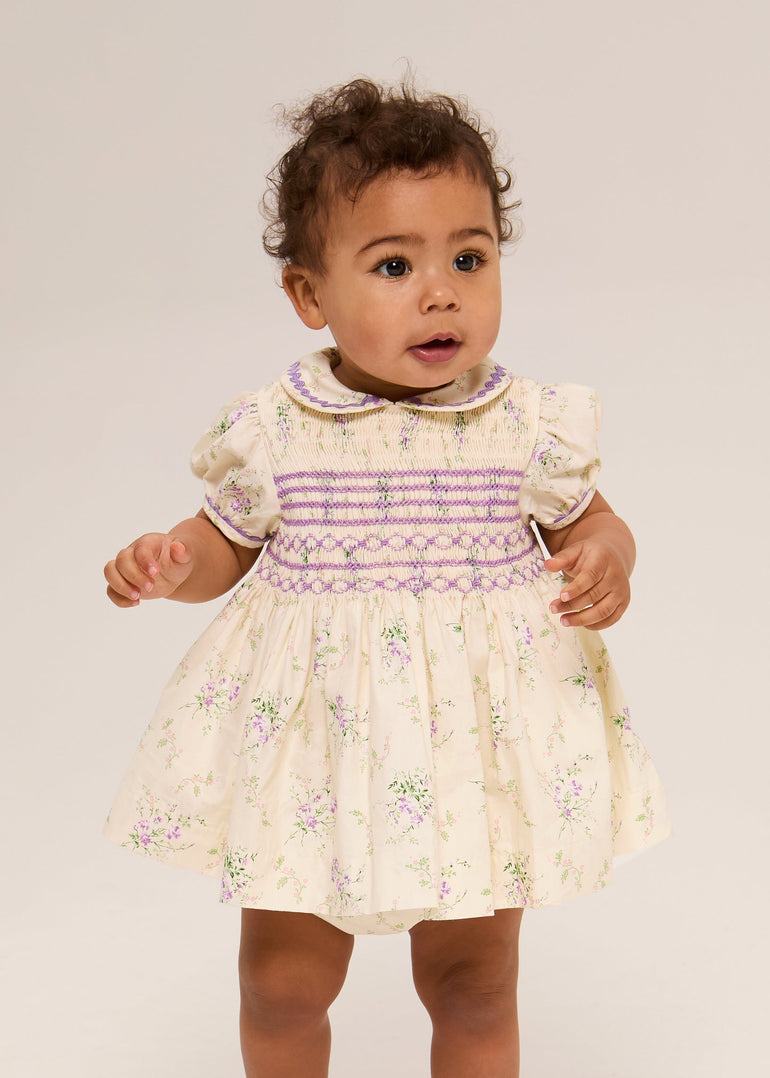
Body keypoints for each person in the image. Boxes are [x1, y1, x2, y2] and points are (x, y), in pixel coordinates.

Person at [103, 76, 672, 1078]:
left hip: (475, 749)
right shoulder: (277, 430)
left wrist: (608, 557)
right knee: (281, 984)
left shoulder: (523, 426)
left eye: (468, 257)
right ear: (309, 295)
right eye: (394, 265)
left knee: (474, 987)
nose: (440, 291)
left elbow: (593, 518)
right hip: (312, 746)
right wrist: (171, 561)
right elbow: (222, 545)